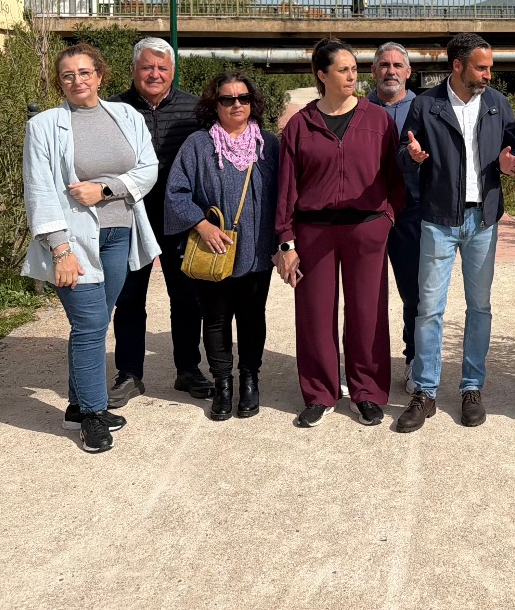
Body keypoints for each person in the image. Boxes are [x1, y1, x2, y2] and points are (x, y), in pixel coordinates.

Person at [21, 43, 160, 454]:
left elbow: (147, 169)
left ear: (100, 75)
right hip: (73, 241)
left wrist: (105, 188)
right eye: (68, 75)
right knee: (90, 326)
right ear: (58, 82)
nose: (78, 81)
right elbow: (40, 189)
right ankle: (95, 416)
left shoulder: (127, 115)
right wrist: (60, 249)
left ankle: (77, 406)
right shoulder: (45, 126)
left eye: (85, 73)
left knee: (96, 322)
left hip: (120, 233)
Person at [395, 32, 515, 432]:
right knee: (429, 309)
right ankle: (426, 392)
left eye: (489, 67)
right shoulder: (426, 105)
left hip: (482, 221)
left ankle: (471, 388)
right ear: (458, 66)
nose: (488, 74)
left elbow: (513, 151)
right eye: (481, 67)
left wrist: (507, 164)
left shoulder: (498, 104)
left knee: (479, 307)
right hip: (437, 219)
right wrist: (412, 158)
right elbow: (404, 155)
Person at [276, 38, 404, 429]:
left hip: (366, 229)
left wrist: (388, 216)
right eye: (343, 69)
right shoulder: (300, 125)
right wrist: (285, 241)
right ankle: (320, 393)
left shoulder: (377, 119)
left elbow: (393, 177)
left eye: (354, 68)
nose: (353, 76)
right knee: (314, 314)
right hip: (314, 232)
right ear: (322, 75)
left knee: (368, 313)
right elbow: (286, 188)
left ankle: (366, 392)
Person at [164, 72, 279, 421]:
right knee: (214, 319)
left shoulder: (269, 145)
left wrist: (285, 242)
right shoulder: (199, 145)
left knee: (252, 317)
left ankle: (248, 380)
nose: (236, 105)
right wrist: (201, 224)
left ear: (252, 102)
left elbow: (286, 195)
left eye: (242, 98)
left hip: (257, 250)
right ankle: (222, 384)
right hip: (213, 250)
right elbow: (175, 192)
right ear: (215, 104)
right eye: (227, 99)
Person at [108, 37, 210, 408]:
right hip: (128, 215)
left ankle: (188, 370)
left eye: (162, 68)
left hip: (179, 218)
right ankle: (130, 373)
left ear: (172, 71)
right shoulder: (113, 109)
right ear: (134, 70)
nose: (154, 74)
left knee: (186, 297)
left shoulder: (195, 109)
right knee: (129, 296)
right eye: (147, 67)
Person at [366, 42, 422, 392]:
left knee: (415, 294)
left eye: (397, 64)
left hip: (412, 213)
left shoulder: (426, 108)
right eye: (384, 64)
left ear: (408, 72)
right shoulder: (356, 109)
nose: (391, 70)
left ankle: (414, 358)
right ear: (374, 71)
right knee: (366, 294)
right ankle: (365, 364)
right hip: (367, 214)